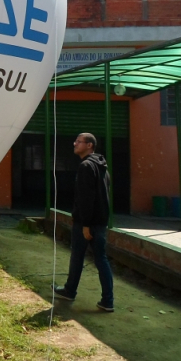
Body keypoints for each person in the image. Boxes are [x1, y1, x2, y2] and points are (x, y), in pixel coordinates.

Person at [53, 132, 115, 312]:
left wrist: (86, 224)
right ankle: (107, 301)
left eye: (79, 142)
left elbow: (86, 198)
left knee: (78, 256)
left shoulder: (86, 166)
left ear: (89, 145)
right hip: (100, 222)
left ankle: (70, 291)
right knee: (101, 259)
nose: (74, 144)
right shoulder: (102, 167)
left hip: (87, 223)